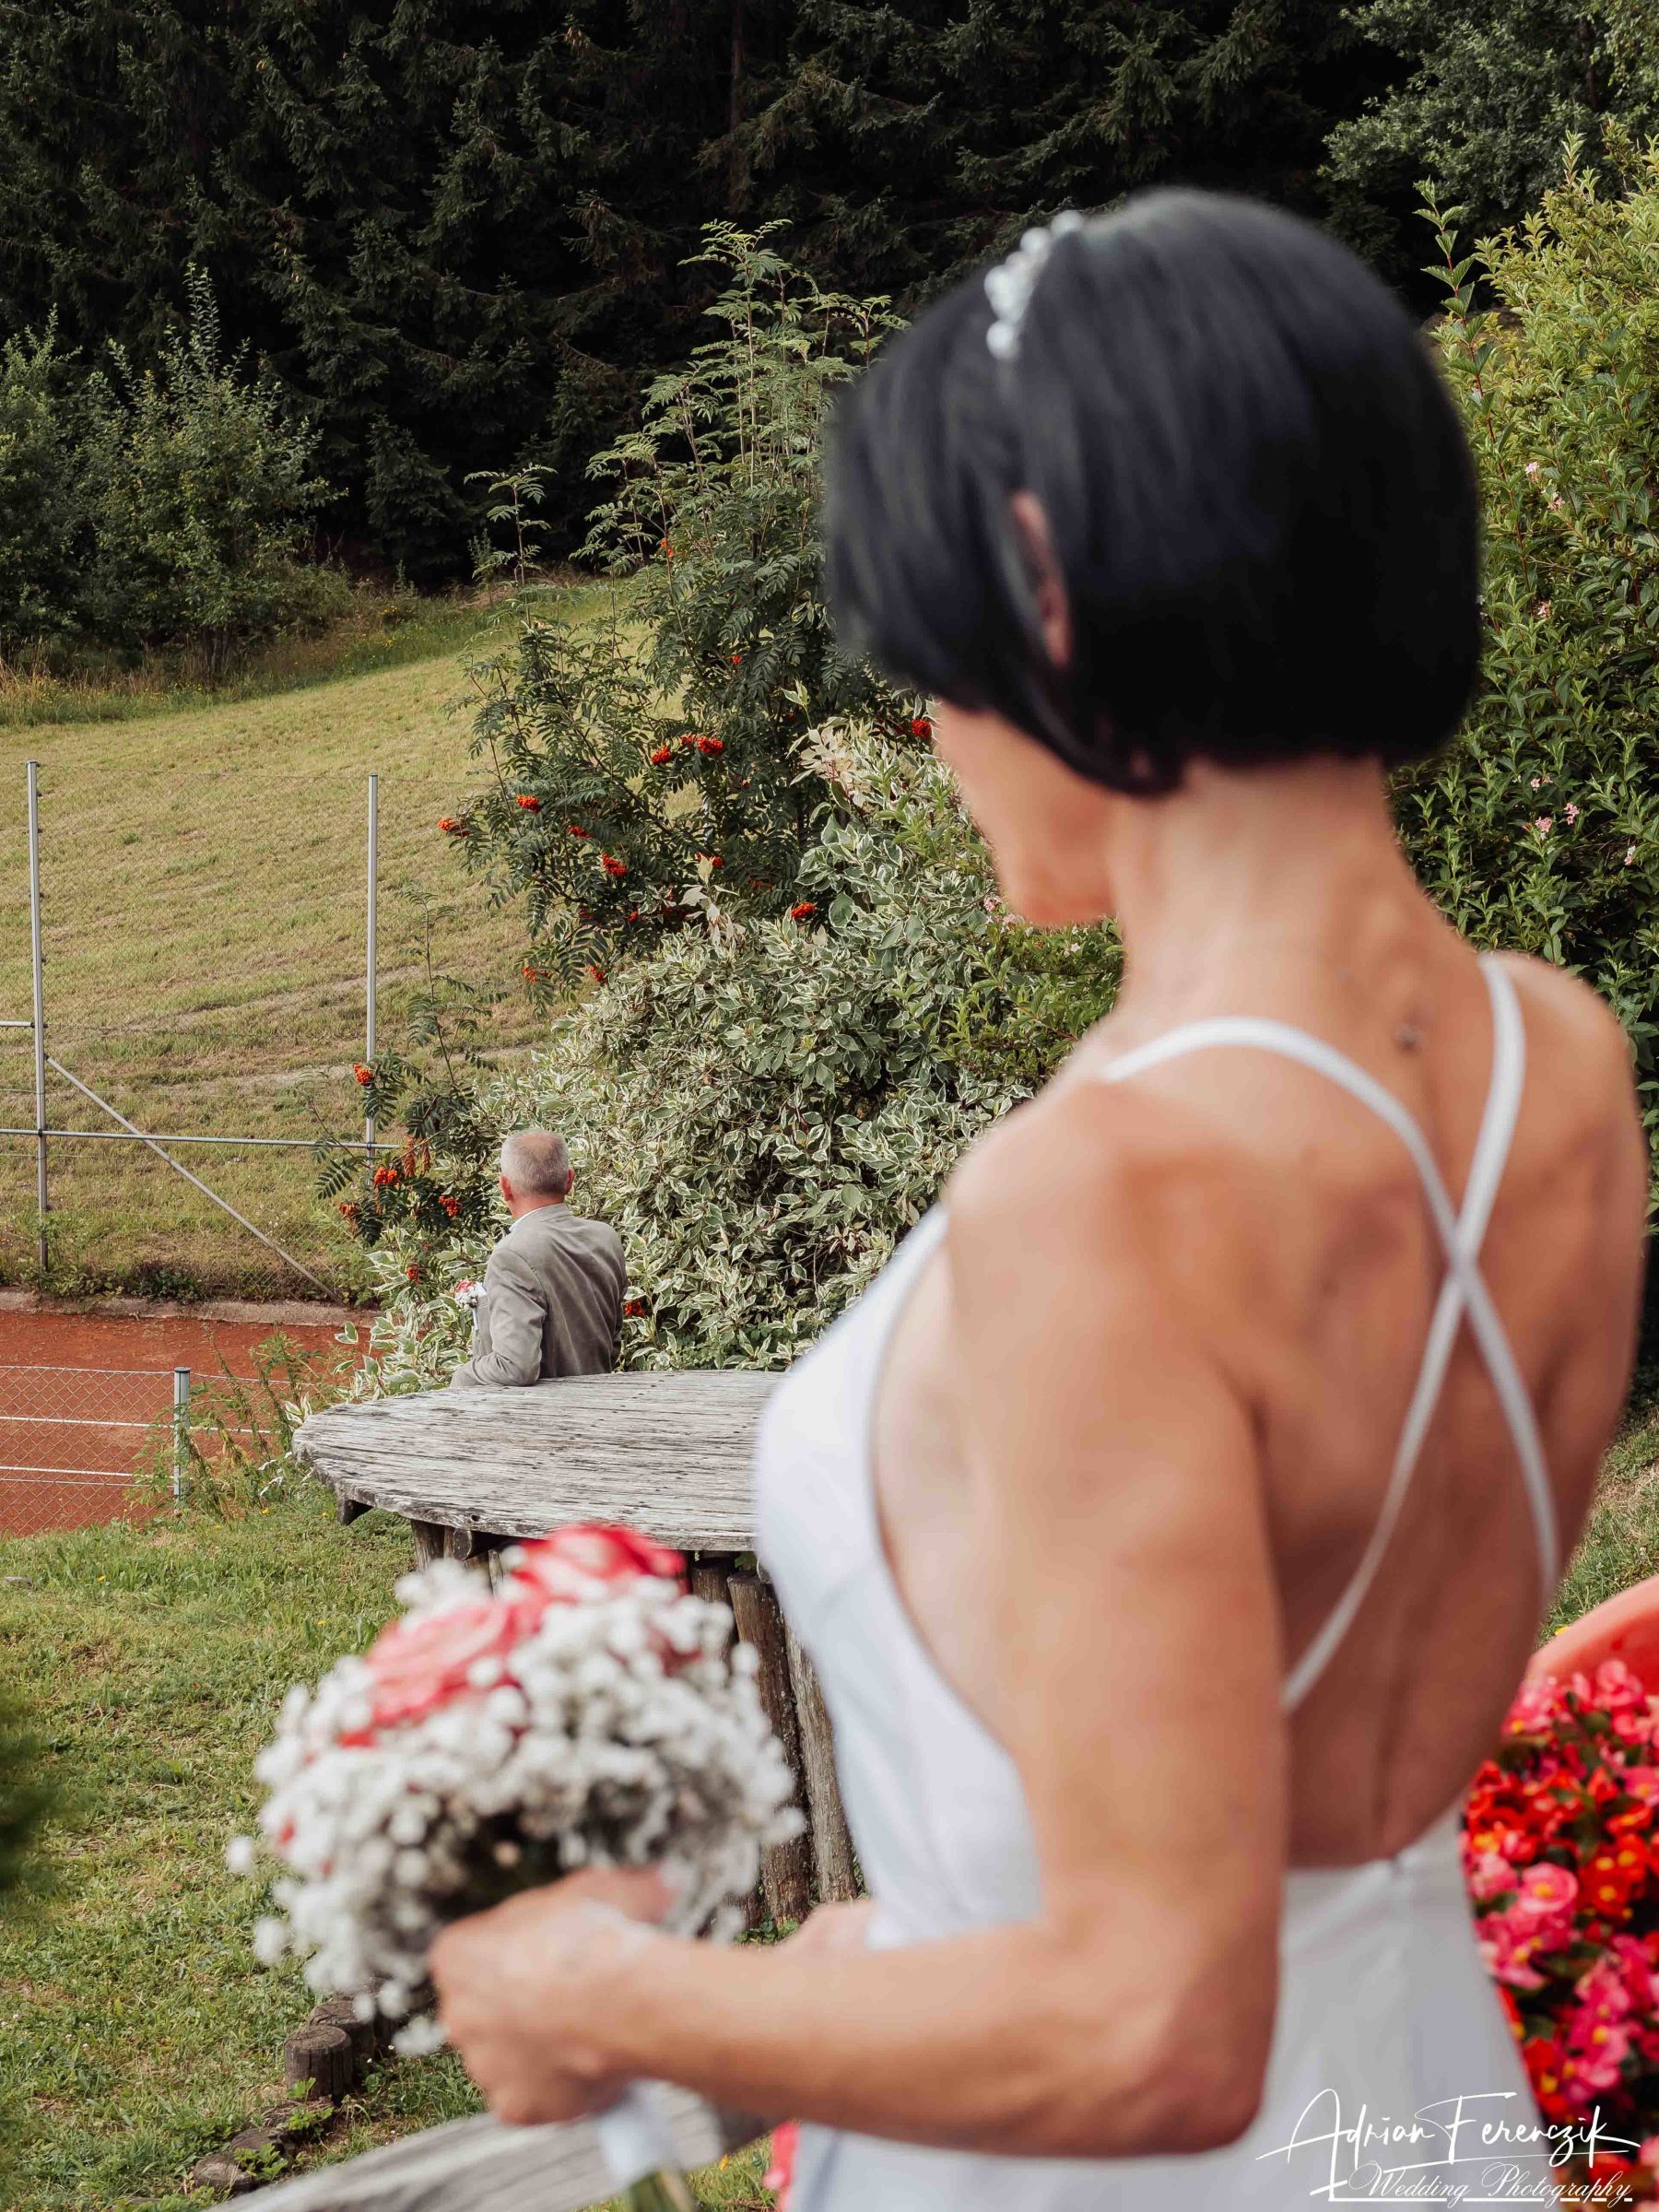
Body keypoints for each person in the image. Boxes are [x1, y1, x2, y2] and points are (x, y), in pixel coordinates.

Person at [429, 192, 1649, 2204]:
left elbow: (1153, 2024)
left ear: (1046, 587)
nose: (928, 727)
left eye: (929, 650)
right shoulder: (1560, 1062)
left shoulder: (1104, 1192)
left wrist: (611, 1995)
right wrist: (898, 1959)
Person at [450, 1131, 626, 1391]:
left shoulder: (512, 1254)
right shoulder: (606, 1238)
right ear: (569, 1180)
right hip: (600, 1400)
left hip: (542, 1412)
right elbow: (613, 1341)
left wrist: (461, 1379)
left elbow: (514, 1367)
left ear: (505, 1187)